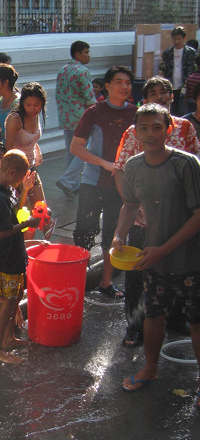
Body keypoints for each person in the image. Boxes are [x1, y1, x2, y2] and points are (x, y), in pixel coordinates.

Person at [111, 103, 200, 400]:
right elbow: (129, 204)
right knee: (153, 314)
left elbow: (198, 215)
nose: (150, 134)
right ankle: (150, 368)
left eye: (157, 127)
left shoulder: (187, 164)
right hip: (153, 257)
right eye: (144, 128)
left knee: (196, 321)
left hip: (191, 260)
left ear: (169, 129)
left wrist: (164, 248)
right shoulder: (134, 165)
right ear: (135, 132)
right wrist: (119, 235)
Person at [72, 65, 137, 299]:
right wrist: (104, 164)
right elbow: (76, 147)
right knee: (84, 233)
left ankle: (106, 282)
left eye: (128, 83)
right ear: (107, 85)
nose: (124, 87)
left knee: (113, 233)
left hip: (121, 186)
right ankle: (76, 281)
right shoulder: (94, 112)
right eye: (118, 82)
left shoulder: (135, 113)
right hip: (92, 182)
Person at [0, 150, 39, 364]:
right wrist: (27, 225)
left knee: (16, 296)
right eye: (20, 178)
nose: (20, 182)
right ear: (11, 171)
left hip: (15, 254)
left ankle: (9, 338)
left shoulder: (5, 189)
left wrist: (25, 190)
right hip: (7, 257)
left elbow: (16, 211)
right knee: (8, 301)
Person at [55, 40, 96, 198]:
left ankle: (72, 184)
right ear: (77, 54)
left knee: (71, 151)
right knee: (84, 150)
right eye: (86, 52)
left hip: (66, 118)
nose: (89, 56)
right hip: (81, 118)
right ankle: (68, 181)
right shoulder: (82, 71)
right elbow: (90, 99)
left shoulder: (63, 70)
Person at [4, 81, 46, 205]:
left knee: (41, 209)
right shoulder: (15, 119)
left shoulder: (36, 116)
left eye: (36, 105)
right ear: (22, 103)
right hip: (16, 171)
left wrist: (37, 151)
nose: (32, 109)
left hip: (31, 168)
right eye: (28, 105)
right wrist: (15, 178)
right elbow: (8, 150)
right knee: (24, 213)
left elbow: (32, 139)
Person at [161, 26, 196, 116]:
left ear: (184, 38)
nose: (177, 41)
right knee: (171, 111)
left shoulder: (191, 52)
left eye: (179, 39)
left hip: (184, 87)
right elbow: (163, 69)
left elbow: (192, 69)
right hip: (171, 85)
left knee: (182, 111)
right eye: (174, 39)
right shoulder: (167, 53)